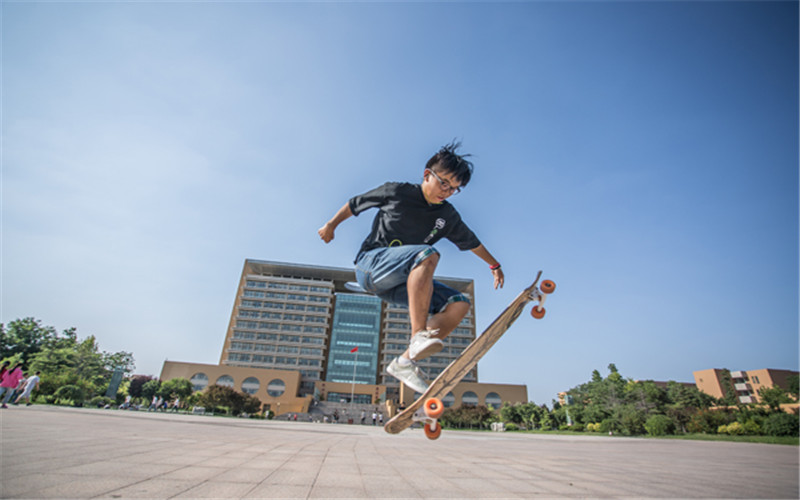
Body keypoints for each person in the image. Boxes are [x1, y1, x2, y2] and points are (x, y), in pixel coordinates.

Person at [318, 141, 504, 394]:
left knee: (459, 303)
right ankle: (418, 336)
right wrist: (331, 225)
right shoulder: (396, 191)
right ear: (428, 175)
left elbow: (472, 241)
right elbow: (355, 203)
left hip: (398, 284)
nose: (447, 192)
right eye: (444, 183)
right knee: (426, 254)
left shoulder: (447, 216)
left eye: (454, 189)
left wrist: (494, 265)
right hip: (370, 267)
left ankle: (405, 362)